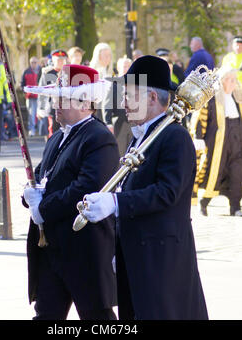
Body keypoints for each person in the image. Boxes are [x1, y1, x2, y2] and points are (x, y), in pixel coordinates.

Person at [82, 55, 208, 320]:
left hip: (162, 261)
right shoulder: (142, 135)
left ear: (152, 98)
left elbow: (167, 192)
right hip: (136, 255)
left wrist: (116, 204)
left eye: (129, 94)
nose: (123, 102)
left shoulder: (174, 136)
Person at [22, 63, 120, 320]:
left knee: (97, 317)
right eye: (56, 98)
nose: (56, 105)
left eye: (62, 99)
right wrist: (29, 194)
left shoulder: (99, 138)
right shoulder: (56, 137)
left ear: (85, 103)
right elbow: (42, 175)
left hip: (83, 251)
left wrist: (43, 207)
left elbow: (85, 188)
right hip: (51, 249)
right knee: (46, 316)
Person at [190, 68, 242, 217]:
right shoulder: (212, 99)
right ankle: (204, 203)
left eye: (234, 80)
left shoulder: (239, 100)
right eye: (229, 80)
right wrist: (198, 137)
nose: (233, 83)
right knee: (213, 173)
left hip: (237, 144)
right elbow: (200, 117)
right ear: (222, 81)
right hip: (217, 146)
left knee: (237, 174)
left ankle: (235, 206)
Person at [103, 57, 133, 155]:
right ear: (119, 68)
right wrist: (108, 123)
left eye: (129, 66)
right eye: (124, 66)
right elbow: (107, 105)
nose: (127, 69)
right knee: (119, 152)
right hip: (119, 124)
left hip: (134, 124)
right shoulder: (113, 84)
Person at [37, 49, 68, 138]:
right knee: (53, 133)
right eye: (58, 60)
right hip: (52, 108)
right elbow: (41, 92)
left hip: (67, 108)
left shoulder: (69, 73)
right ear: (53, 60)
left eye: (62, 59)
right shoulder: (47, 73)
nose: (60, 62)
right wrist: (41, 109)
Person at [21, 57, 39, 137]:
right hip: (30, 96)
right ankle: (32, 129)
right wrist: (25, 91)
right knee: (31, 114)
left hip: (39, 95)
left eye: (35, 62)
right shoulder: (26, 71)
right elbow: (22, 84)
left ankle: (39, 129)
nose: (33, 64)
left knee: (40, 113)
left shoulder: (40, 71)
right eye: (32, 62)